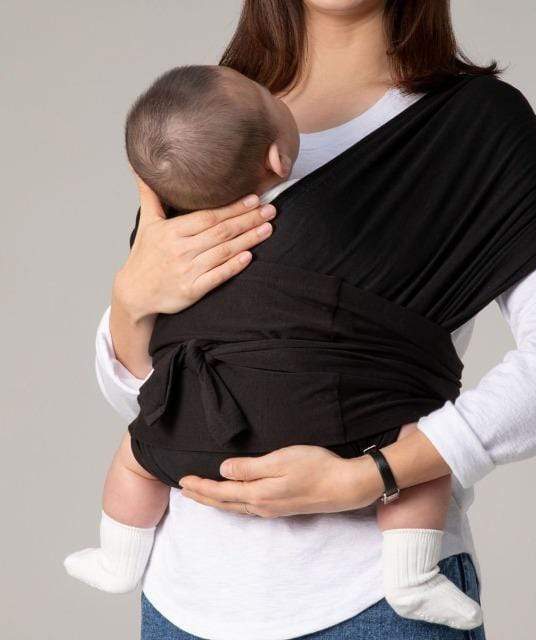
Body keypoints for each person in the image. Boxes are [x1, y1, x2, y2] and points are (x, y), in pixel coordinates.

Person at [91, 2, 536, 639]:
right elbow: (156, 394)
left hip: (374, 600)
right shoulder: (209, 116)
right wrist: (130, 302)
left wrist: (370, 476)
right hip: (184, 599)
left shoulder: (471, 125)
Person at [64, 63, 483, 630]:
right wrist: (128, 300)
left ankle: (117, 557)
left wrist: (134, 296)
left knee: (136, 458)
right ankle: (411, 576)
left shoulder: (172, 241)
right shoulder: (344, 217)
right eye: (266, 93)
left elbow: (144, 392)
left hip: (192, 439)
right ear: (278, 160)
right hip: (326, 426)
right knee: (419, 455)